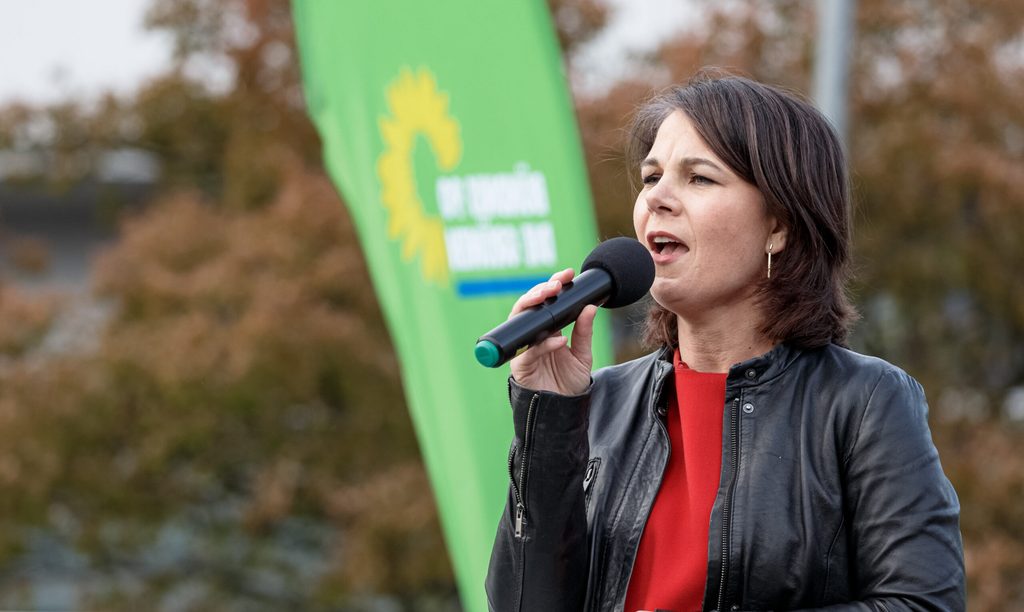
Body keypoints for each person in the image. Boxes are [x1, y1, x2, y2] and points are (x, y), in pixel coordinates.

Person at [484, 69, 965, 612]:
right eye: (650, 177)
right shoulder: (601, 402)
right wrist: (547, 418)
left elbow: (923, 603)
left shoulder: (864, 402)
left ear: (778, 226)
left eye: (699, 178)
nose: (657, 200)